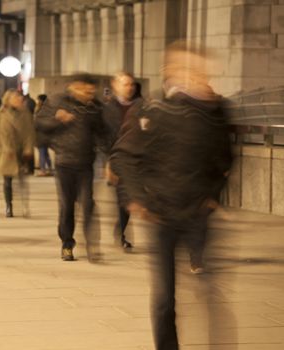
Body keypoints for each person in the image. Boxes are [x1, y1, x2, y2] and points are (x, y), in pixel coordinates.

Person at [109, 42, 233, 349]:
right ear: (171, 72)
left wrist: (213, 195)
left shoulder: (217, 112)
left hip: (198, 214)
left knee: (208, 290)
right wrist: (137, 199)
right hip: (160, 213)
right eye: (185, 67)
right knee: (165, 297)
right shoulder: (152, 111)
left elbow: (226, 159)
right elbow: (123, 157)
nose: (193, 74)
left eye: (198, 68)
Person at [35, 74, 107, 261]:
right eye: (86, 90)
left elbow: (103, 133)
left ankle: (92, 245)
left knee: (88, 204)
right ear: (75, 87)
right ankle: (67, 243)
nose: (90, 94)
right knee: (67, 206)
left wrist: (110, 159)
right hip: (64, 162)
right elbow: (39, 123)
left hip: (86, 163)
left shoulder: (95, 107)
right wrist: (58, 119)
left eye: (92, 91)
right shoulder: (57, 101)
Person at [103, 72, 143, 250]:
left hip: (137, 159)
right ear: (115, 85)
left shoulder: (142, 106)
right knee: (123, 199)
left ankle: (120, 231)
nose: (130, 87)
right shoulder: (107, 109)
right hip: (117, 159)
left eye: (131, 84)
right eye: (125, 84)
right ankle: (121, 234)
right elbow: (104, 138)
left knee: (128, 200)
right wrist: (109, 162)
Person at [0, 89, 35, 218]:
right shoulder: (0, 114)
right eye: (16, 98)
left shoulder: (25, 114)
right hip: (7, 152)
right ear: (8, 100)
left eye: (20, 98)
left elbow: (29, 133)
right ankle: (9, 206)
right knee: (7, 180)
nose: (19, 99)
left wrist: (28, 148)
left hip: (21, 151)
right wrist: (7, 148)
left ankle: (24, 205)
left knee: (22, 180)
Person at [34, 94, 52, 176]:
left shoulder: (40, 111)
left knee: (42, 152)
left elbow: (36, 123)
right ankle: (49, 168)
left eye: (38, 100)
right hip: (46, 134)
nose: (37, 101)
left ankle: (43, 170)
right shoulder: (49, 110)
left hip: (40, 134)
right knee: (45, 152)